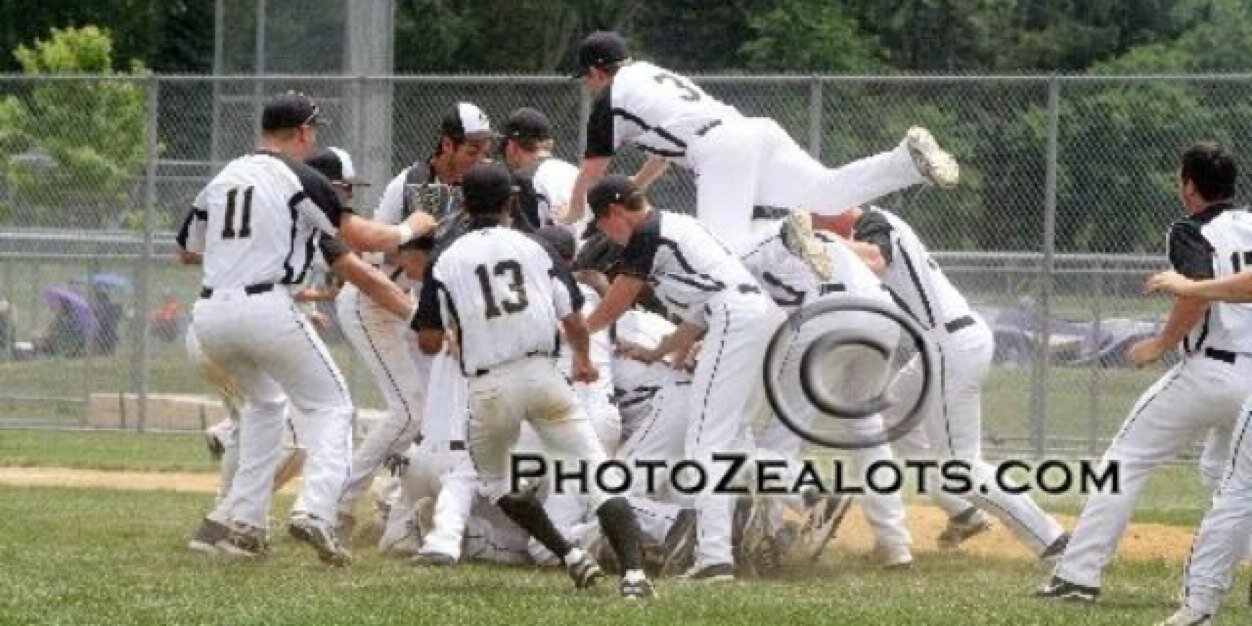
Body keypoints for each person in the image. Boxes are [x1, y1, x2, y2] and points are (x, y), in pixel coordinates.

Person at [179, 91, 436, 566]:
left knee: (265, 405)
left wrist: (247, 249)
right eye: (312, 130)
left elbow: (187, 250)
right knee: (333, 406)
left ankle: (244, 525)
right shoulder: (299, 177)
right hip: (265, 305)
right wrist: (413, 225)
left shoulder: (225, 175)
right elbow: (365, 238)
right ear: (302, 132)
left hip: (210, 313)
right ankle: (316, 510)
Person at [410, 163, 655, 599]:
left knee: (495, 482)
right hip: (544, 375)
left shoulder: (446, 258)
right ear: (511, 202)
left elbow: (428, 341)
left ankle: (570, 554)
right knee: (597, 473)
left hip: (488, 386)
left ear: (463, 204)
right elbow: (573, 318)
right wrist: (583, 360)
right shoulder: (536, 247)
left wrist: (459, 328)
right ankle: (634, 576)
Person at [1037, 142, 1252, 603]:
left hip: (1210, 371)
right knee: (1226, 472)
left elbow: (1193, 294)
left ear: (1189, 186)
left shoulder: (1191, 228)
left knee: (1125, 459)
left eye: (1181, 178)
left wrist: (1158, 345)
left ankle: (1077, 575)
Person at [565, 30, 959, 268]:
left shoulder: (610, 99)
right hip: (754, 132)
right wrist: (637, 185)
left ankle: (782, 236)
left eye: (587, 78)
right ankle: (906, 161)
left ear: (598, 71)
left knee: (722, 254)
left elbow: (593, 170)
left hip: (721, 150)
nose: (588, 85)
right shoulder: (650, 72)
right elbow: (665, 149)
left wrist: (575, 209)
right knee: (828, 193)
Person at [825, 205, 1069, 562]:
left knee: (962, 469)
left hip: (949, 344)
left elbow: (875, 259)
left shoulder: (873, 221)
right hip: (944, 343)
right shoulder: (871, 225)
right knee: (892, 416)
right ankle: (962, 511)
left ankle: (1054, 542)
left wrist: (825, 241)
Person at [583, 175, 786, 582]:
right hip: (758, 317)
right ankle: (782, 505)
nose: (607, 236)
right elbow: (700, 307)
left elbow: (619, 298)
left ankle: (714, 556)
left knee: (706, 440)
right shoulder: (678, 224)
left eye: (602, 226)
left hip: (737, 319)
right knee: (733, 435)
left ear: (615, 213)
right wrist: (660, 351)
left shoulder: (647, 232)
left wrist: (578, 333)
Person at [498, 107, 584, 238]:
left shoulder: (524, 178)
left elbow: (526, 239)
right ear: (549, 144)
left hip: (555, 249)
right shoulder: (575, 172)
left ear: (512, 146)